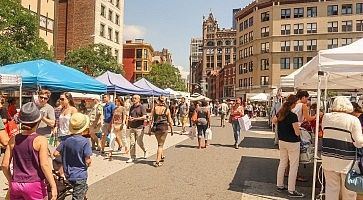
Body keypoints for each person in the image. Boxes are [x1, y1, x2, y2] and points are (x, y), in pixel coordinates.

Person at [1, 102, 57, 200]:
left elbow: (5, 165)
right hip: (35, 184)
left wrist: (11, 182)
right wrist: (53, 186)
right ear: (38, 121)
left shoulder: (13, 139)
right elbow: (45, 165)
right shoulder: (40, 140)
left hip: (16, 184)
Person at [321, 97, 363, 200]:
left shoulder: (326, 117)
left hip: (328, 156)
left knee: (331, 188)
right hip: (346, 159)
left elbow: (324, 131)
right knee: (349, 190)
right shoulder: (353, 120)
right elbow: (359, 142)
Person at [53, 113, 92, 200]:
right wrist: (88, 163)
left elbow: (55, 153)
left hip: (68, 174)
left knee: (82, 189)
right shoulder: (85, 141)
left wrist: (66, 154)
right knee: (78, 195)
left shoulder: (65, 140)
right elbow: (87, 160)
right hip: (80, 174)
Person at [272, 95, 304, 198]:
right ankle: (291, 189)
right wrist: (299, 129)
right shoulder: (293, 116)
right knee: (294, 166)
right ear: (293, 104)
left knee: (282, 163)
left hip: (282, 141)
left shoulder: (280, 113)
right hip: (293, 142)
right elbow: (297, 132)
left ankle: (280, 184)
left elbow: (273, 121)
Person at [150, 96, 174, 167]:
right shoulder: (167, 109)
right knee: (160, 145)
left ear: (158, 101)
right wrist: (172, 129)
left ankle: (161, 155)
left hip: (156, 127)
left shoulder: (154, 108)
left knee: (159, 143)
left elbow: (151, 119)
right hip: (164, 127)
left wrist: (149, 129)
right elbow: (170, 121)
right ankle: (157, 161)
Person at [127, 95, 147, 163]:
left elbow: (144, 117)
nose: (134, 99)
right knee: (132, 143)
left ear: (139, 99)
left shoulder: (142, 107)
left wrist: (135, 119)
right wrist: (129, 120)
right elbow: (130, 115)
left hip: (139, 128)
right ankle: (132, 157)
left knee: (139, 142)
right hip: (132, 127)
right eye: (133, 98)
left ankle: (145, 150)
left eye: (135, 98)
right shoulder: (131, 107)